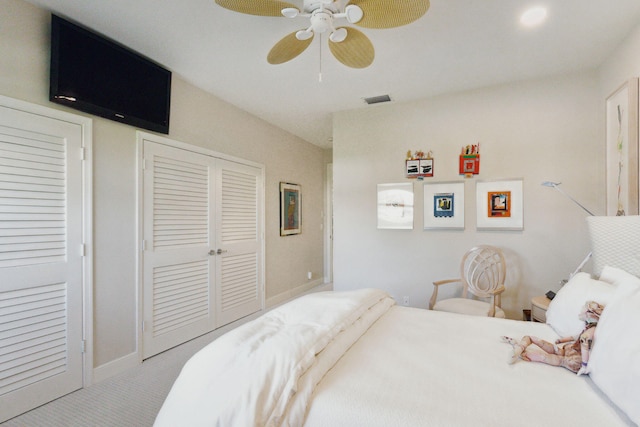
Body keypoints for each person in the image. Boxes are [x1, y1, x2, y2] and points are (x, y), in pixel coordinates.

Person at [502, 300, 603, 374]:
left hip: (575, 359)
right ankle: (518, 349)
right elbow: (575, 336)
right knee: (531, 338)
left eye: (583, 309)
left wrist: (584, 366)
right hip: (569, 351)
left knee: (553, 358)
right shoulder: (587, 328)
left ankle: (519, 350)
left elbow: (585, 340)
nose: (581, 311)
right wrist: (561, 340)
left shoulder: (591, 331)